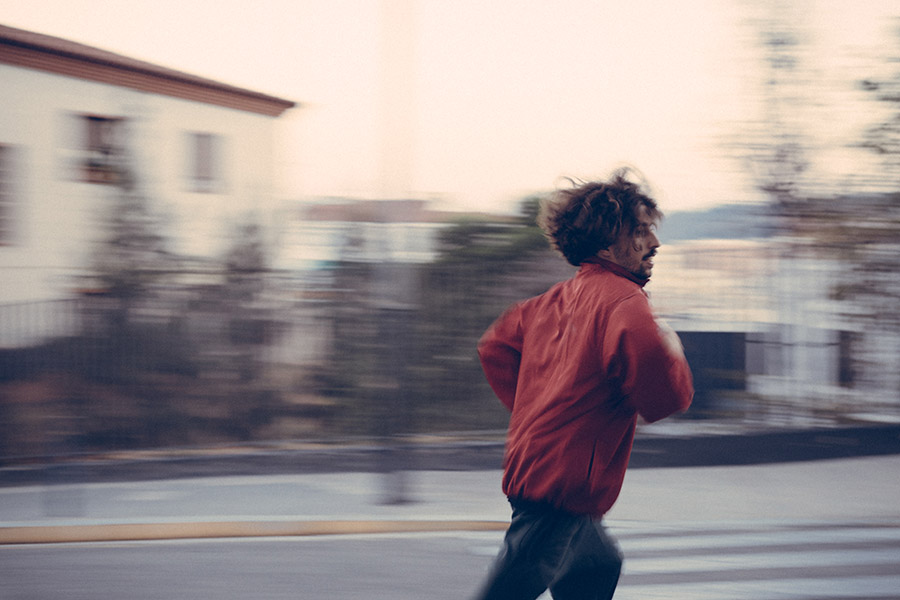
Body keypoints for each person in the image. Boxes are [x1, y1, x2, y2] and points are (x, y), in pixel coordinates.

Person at [473, 168, 693, 600]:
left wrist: (533, 411)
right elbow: (664, 398)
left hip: (546, 474)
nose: (655, 243)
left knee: (597, 566)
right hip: (563, 487)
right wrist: (675, 351)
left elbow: (495, 347)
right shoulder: (626, 303)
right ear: (609, 242)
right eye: (642, 231)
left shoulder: (551, 301)